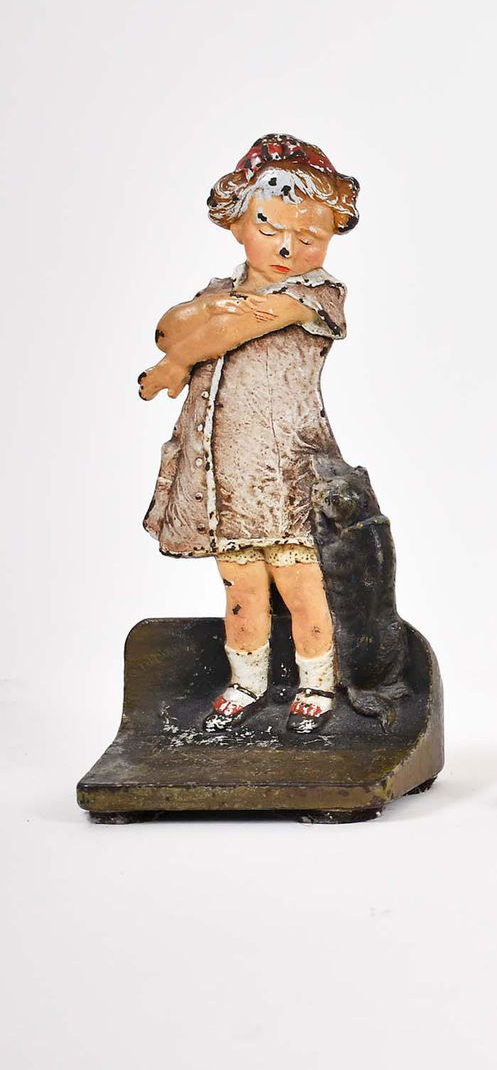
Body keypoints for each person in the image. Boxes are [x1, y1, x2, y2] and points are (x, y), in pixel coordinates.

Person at [139, 134, 359, 735]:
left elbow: (227, 330)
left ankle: (317, 681)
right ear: (236, 224)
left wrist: (178, 361)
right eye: (269, 228)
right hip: (226, 475)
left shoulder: (315, 295)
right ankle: (246, 679)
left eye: (309, 236)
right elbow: (168, 328)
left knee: (300, 581)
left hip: (285, 468)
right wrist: (186, 339)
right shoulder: (219, 293)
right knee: (240, 585)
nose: (288, 247)